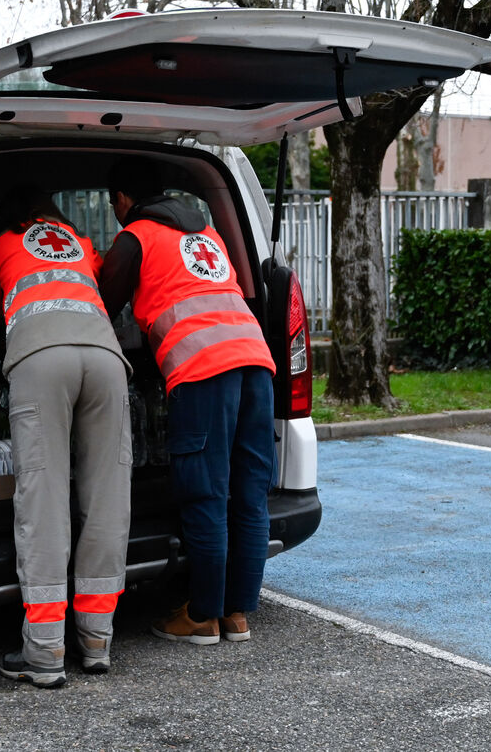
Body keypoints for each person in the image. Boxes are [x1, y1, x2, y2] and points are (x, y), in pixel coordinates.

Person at [99, 158, 276, 645]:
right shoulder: (207, 234)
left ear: (123, 200)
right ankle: (237, 613)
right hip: (256, 360)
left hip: (203, 370)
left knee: (205, 493)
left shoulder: (136, 237)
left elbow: (101, 304)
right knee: (249, 491)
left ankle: (201, 615)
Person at [0, 187, 131, 688]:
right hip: (106, 360)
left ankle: (44, 650)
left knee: (44, 498)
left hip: (41, 362)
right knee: (107, 497)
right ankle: (97, 641)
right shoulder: (79, 241)